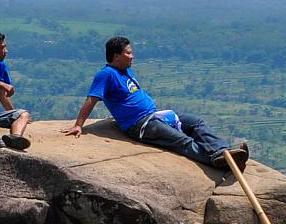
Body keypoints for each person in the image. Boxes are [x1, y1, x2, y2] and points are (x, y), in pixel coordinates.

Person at [63, 35, 247, 168]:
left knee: (196, 122)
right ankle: (220, 163)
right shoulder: (106, 75)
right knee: (182, 141)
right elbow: (91, 99)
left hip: (154, 116)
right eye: (128, 53)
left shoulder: (126, 70)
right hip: (140, 125)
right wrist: (79, 125)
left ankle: (222, 152)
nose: (132, 56)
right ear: (116, 55)